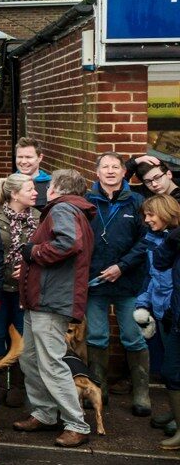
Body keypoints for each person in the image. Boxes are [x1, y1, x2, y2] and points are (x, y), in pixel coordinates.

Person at [12, 168, 97, 447]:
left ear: (57, 187)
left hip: (50, 300)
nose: (44, 188)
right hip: (41, 299)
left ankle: (76, 423)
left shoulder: (62, 209)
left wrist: (33, 252)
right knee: (30, 358)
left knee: (50, 362)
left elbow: (67, 244)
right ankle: (45, 413)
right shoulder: (70, 209)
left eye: (48, 185)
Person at [85, 151, 152, 414]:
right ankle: (97, 390)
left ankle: (142, 394)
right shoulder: (87, 202)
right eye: (105, 167)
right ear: (97, 172)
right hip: (95, 283)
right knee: (97, 336)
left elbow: (145, 241)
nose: (111, 171)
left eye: (116, 167)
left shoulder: (137, 202)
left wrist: (121, 267)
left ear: (125, 172)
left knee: (133, 336)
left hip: (129, 282)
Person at [0, 172, 38, 405]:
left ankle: (18, 386)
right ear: (14, 194)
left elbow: (44, 251)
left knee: (21, 335)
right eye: (30, 189)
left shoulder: (38, 218)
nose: (36, 193)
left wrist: (30, 269)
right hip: (1, 288)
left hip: (25, 290)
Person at [139, 193, 180, 450]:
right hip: (165, 312)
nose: (146, 220)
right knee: (169, 370)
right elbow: (155, 277)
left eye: (151, 214)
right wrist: (143, 304)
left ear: (165, 213)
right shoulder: (157, 238)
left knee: (173, 370)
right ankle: (176, 416)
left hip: (174, 313)